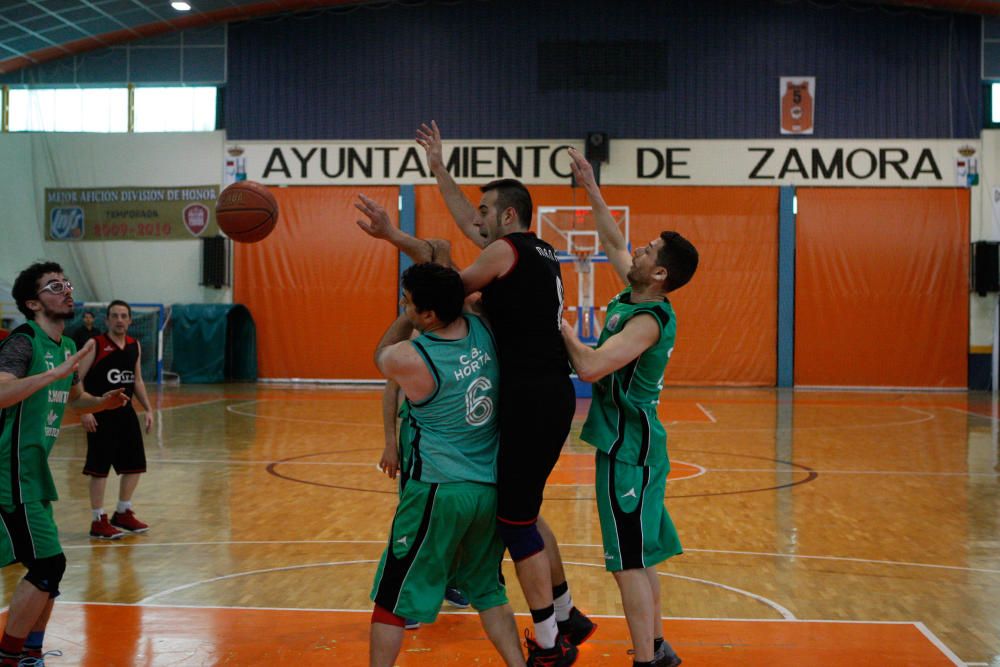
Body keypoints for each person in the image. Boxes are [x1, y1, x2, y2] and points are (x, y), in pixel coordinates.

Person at [359, 123, 595, 666]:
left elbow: (442, 282)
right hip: (541, 397)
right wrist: (439, 168)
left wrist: (399, 244)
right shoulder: (535, 258)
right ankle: (565, 613)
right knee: (522, 513)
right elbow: (453, 243)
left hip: (522, 406)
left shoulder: (498, 262)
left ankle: (549, 640)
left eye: (485, 213)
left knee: (516, 521)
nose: (476, 221)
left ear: (506, 217)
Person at [560, 149, 699, 667]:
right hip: (627, 444)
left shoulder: (649, 322)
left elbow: (592, 368)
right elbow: (612, 239)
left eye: (647, 250)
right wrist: (591, 185)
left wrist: (559, 322)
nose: (635, 251)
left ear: (659, 272)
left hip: (630, 448)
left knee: (626, 564)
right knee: (640, 557)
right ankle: (658, 648)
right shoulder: (633, 294)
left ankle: (645, 659)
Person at [368, 261, 524, 667]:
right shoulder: (484, 329)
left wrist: (403, 318)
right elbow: (464, 290)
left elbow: (379, 355)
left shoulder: (413, 356)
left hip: (436, 490)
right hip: (487, 490)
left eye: (408, 303)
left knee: (393, 594)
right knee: (489, 591)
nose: (405, 307)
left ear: (428, 315)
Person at [0, 262, 129, 666]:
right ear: (32, 302)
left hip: (34, 473)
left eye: (67, 284)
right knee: (48, 566)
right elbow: (2, 393)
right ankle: (11, 656)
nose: (66, 291)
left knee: (49, 571)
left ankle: (30, 653)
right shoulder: (24, 342)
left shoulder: (68, 347)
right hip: (9, 470)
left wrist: (102, 403)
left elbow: (73, 398)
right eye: (54, 286)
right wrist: (52, 372)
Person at [77, 300, 154, 540]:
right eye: (115, 316)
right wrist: (84, 410)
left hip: (125, 413)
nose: (120, 320)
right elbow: (76, 378)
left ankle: (122, 512)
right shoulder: (95, 344)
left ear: (130, 320)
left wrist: (149, 409)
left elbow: (137, 380)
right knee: (99, 470)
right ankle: (98, 519)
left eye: (124, 316)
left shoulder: (134, 346)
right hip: (99, 413)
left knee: (135, 465)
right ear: (107, 320)